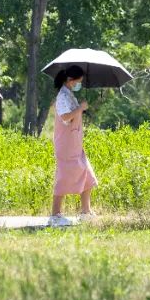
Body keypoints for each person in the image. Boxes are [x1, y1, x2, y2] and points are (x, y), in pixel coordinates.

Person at [48, 65, 98, 227]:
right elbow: (65, 117)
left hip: (75, 144)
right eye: (79, 82)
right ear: (70, 80)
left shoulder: (69, 94)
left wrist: (80, 109)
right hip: (66, 145)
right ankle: (55, 214)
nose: (80, 84)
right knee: (63, 177)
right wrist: (80, 108)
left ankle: (85, 211)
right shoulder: (62, 96)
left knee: (87, 174)